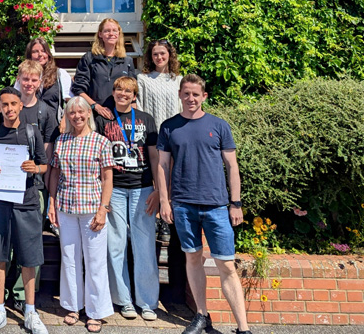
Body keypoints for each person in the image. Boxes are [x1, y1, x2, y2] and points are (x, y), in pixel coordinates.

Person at [156, 74, 251, 334]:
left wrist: (236, 203)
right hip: (183, 205)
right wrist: (165, 201)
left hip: (217, 206)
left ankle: (243, 327)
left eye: (196, 94)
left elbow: (232, 166)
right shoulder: (169, 127)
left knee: (226, 265)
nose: (191, 98)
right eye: (186, 93)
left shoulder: (219, 126)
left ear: (204, 96)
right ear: (180, 95)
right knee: (193, 258)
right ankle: (201, 315)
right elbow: (162, 166)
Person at [0, 61, 58, 315]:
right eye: (4, 105)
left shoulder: (34, 127)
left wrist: (35, 169)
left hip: (27, 195)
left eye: (13, 104)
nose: (9, 108)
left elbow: (45, 163)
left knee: (29, 252)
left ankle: (29, 309)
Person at [94, 76, 159, 321]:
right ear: (113, 92)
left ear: (134, 95)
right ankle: (123, 300)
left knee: (144, 246)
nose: (123, 93)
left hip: (142, 188)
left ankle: (147, 302)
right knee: (115, 245)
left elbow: (154, 157)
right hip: (116, 188)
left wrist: (158, 190)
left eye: (128, 91)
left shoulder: (147, 119)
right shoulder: (103, 118)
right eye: (119, 89)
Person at [48, 96, 115, 333]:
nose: (76, 116)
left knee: (95, 261)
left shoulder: (101, 142)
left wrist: (103, 209)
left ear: (88, 114)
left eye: (80, 112)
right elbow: (54, 174)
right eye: (72, 112)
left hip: (92, 209)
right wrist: (52, 203)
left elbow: (107, 178)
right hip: (66, 208)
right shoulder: (61, 141)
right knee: (70, 259)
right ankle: (73, 306)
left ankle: (96, 311)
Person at [72, 18, 135, 120]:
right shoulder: (89, 58)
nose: (111, 34)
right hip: (94, 115)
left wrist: (133, 117)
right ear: (100, 34)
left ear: (119, 34)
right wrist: (96, 106)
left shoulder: (127, 61)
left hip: (120, 116)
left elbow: (132, 92)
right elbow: (79, 89)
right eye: (107, 31)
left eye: (114, 30)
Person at [15, 37, 72, 124]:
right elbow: (15, 98)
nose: (40, 54)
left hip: (54, 126)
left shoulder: (60, 74)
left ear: (48, 54)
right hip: (29, 124)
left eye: (43, 51)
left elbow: (71, 101)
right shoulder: (24, 76)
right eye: (35, 52)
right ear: (29, 55)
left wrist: (65, 119)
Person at [137, 39, 182, 127]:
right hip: (151, 132)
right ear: (151, 56)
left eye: (162, 53)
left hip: (174, 131)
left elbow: (182, 109)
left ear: (169, 54)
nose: (159, 57)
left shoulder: (178, 80)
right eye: (155, 54)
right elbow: (139, 108)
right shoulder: (143, 79)